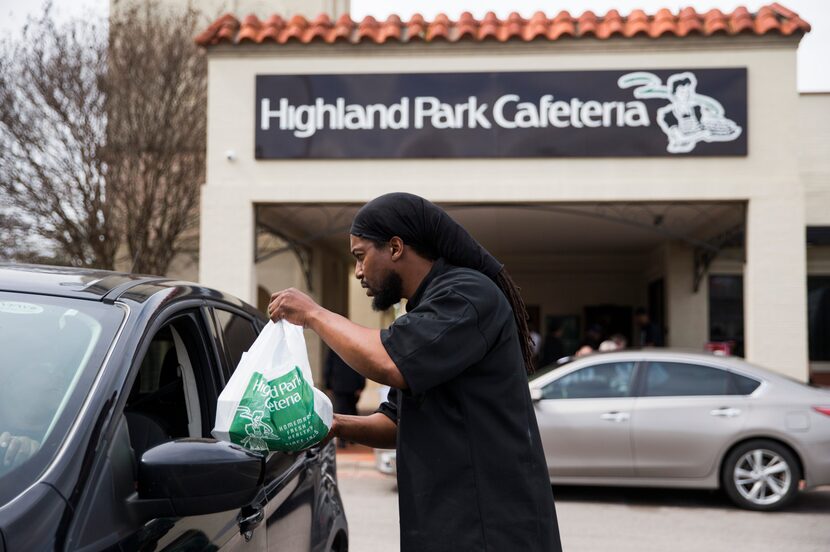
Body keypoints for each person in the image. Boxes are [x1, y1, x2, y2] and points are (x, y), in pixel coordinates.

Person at [268, 192, 562, 552]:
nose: (358, 271)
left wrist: (314, 314)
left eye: (360, 256)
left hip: (489, 527)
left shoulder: (467, 295)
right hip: (446, 526)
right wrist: (338, 426)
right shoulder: (427, 311)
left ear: (394, 247)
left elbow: (389, 362)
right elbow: (398, 422)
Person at [323, 349, 365, 447]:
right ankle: (350, 438)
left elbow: (328, 367)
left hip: (340, 384)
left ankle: (345, 439)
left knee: (343, 411)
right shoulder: (354, 347)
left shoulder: (333, 348)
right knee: (351, 411)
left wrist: (328, 385)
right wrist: (361, 385)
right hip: (351, 384)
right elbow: (361, 367)